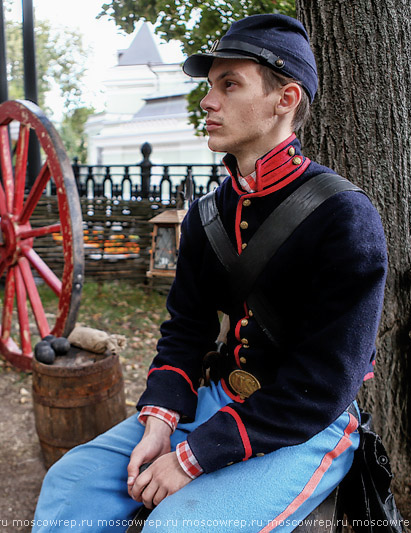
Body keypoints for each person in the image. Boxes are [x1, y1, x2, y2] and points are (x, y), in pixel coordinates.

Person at [33, 14, 388, 532]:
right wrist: (160, 419)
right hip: (216, 398)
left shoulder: (345, 217)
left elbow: (326, 380)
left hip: (307, 425)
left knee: (177, 527)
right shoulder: (206, 216)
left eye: (229, 84)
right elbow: (185, 330)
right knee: (69, 485)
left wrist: (190, 456)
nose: (207, 101)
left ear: (284, 100)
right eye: (209, 86)